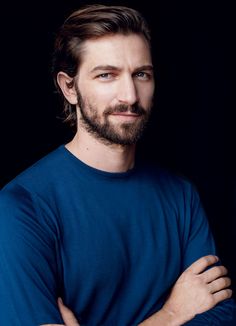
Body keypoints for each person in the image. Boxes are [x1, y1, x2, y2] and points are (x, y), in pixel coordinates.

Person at [0, 4, 235, 325]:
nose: (130, 95)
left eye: (141, 74)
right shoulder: (21, 206)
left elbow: (220, 315)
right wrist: (170, 315)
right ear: (69, 88)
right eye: (107, 75)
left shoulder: (181, 195)